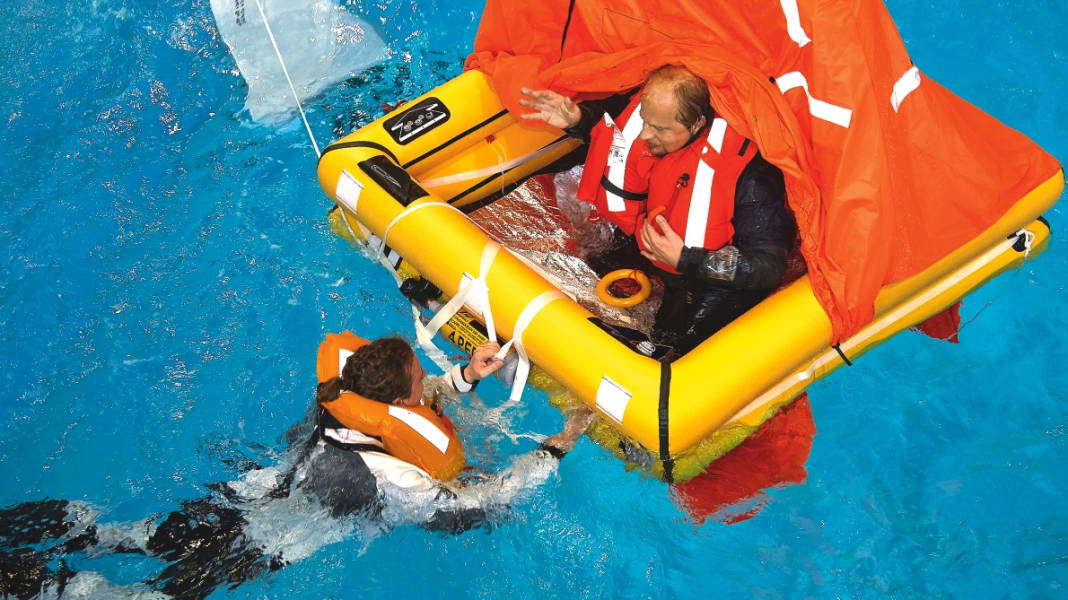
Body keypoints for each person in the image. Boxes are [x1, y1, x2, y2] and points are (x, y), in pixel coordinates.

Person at [0, 333, 593, 599]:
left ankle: (71, 529)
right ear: (400, 402)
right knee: (168, 595)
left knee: (150, 536)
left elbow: (408, 406)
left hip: (246, 494)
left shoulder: (334, 398)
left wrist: (467, 374)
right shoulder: (395, 475)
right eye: (422, 378)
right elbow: (472, 509)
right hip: (276, 536)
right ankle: (60, 590)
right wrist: (557, 446)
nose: (429, 382)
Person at [519, 65, 797, 353]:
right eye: (645, 121)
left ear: (696, 123)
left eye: (660, 129)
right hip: (653, 248)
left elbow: (768, 267)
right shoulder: (648, 123)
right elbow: (611, 131)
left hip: (706, 280)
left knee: (669, 344)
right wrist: (576, 120)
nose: (645, 135)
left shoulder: (751, 176)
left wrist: (688, 259)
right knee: (592, 264)